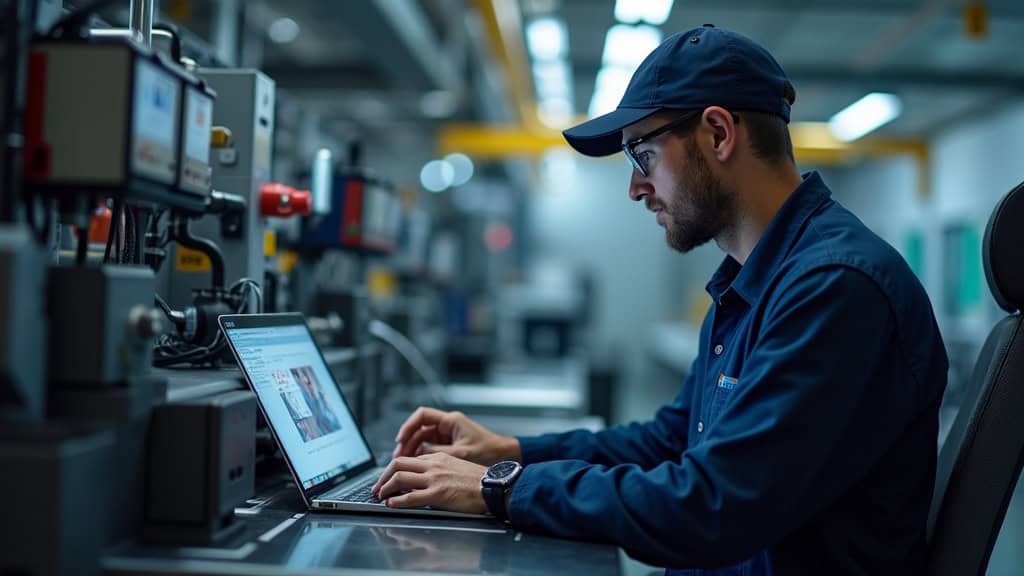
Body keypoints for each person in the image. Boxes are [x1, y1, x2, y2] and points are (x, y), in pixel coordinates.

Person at [371, 25, 948, 575]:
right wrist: (512, 449)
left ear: (719, 133)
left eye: (641, 155)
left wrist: (500, 487)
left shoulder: (834, 288)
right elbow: (670, 441)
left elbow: (713, 505)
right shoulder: (752, 284)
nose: (635, 188)